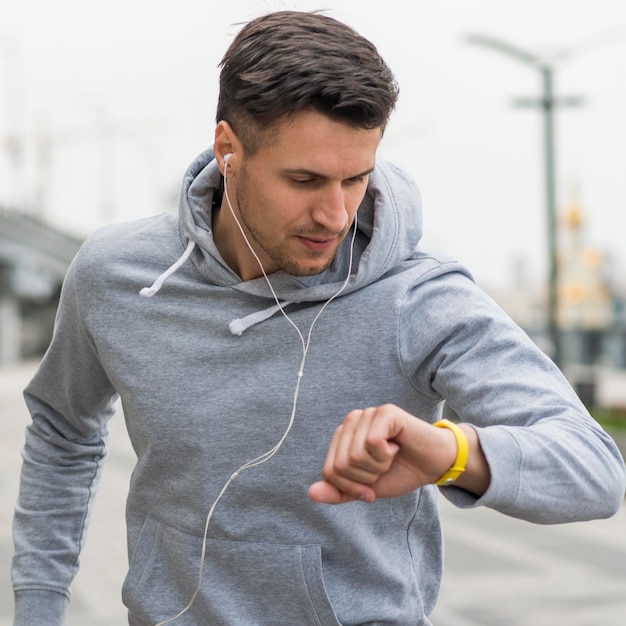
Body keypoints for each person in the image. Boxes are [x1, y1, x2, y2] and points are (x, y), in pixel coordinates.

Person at [12, 10, 625, 626]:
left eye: (355, 178)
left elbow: (593, 470)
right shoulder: (116, 275)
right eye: (304, 180)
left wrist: (449, 452)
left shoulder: (419, 296)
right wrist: (38, 608)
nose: (334, 214)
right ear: (229, 150)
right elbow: (64, 432)